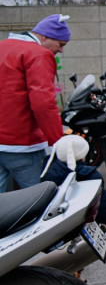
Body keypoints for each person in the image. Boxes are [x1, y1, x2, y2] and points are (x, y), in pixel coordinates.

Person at [0, 14, 71, 192]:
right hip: (23, 145)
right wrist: (57, 141)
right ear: (44, 36)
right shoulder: (39, 54)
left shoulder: (2, 47)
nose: (61, 50)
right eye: (61, 44)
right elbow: (43, 103)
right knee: (38, 202)